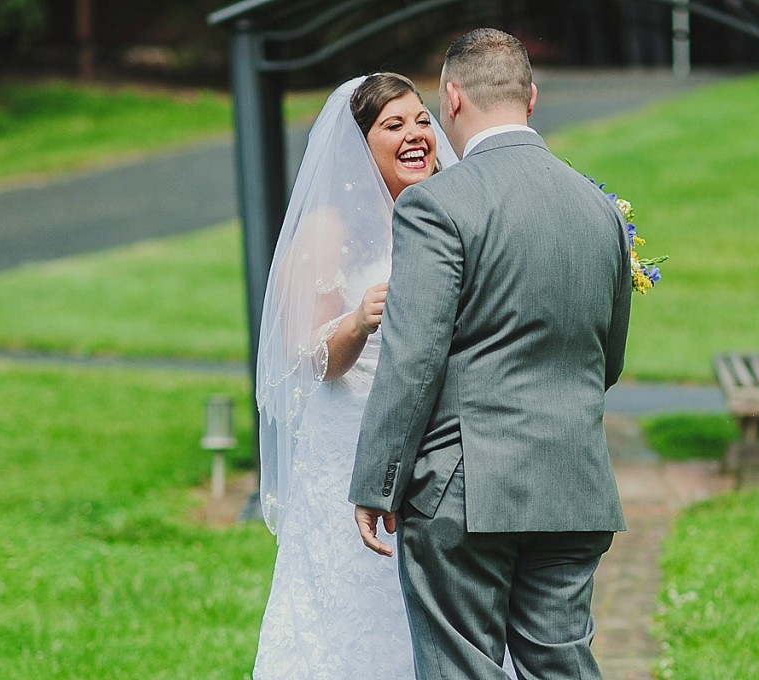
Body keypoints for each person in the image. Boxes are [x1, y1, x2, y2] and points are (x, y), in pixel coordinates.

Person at [351, 28, 632, 680]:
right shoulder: (600, 210)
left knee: (461, 668)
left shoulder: (436, 204)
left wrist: (377, 480)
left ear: (451, 98)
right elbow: (606, 359)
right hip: (574, 483)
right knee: (561, 666)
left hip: (465, 489)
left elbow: (413, 360)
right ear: (531, 97)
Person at [252, 72, 457, 679]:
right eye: (393, 125)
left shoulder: (448, 214)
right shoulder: (327, 231)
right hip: (350, 446)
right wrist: (357, 321)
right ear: (359, 144)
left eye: (422, 119)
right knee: (353, 600)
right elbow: (312, 358)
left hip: (434, 444)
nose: (418, 134)